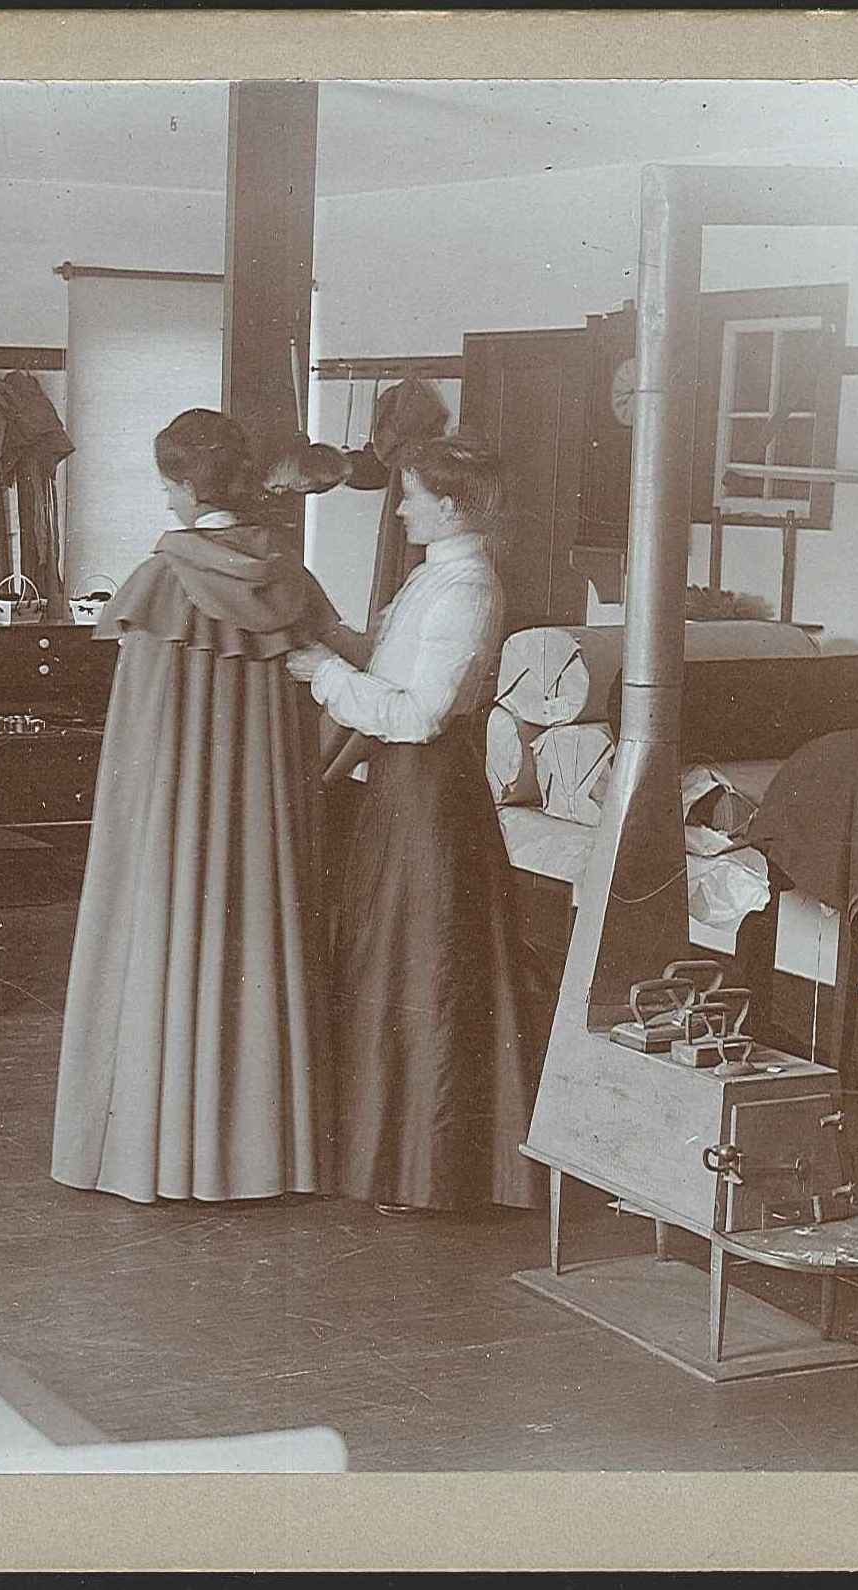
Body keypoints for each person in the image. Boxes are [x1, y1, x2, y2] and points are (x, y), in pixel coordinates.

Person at [50, 408, 345, 1205]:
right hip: (265, 820)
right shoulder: (289, 577)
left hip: (174, 820)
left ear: (181, 486)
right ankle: (267, 1155)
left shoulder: (160, 582)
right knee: (256, 942)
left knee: (162, 938)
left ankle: (162, 1147)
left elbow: (140, 740)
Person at [283, 434, 544, 1215]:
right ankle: (391, 1158)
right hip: (402, 792)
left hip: (431, 794)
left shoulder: (467, 590)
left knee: (425, 966)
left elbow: (421, 714)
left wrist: (324, 674)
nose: (400, 508)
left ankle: (433, 1172)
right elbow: (393, 674)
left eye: (412, 496)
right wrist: (327, 640)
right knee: (394, 960)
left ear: (452, 505)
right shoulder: (435, 581)